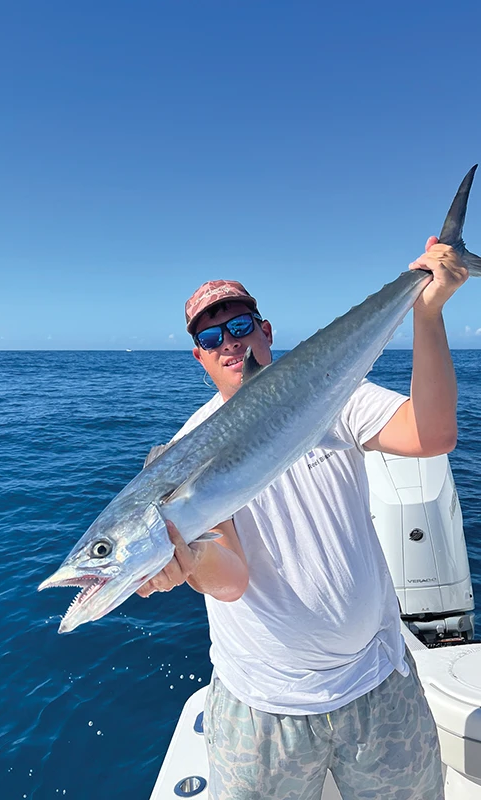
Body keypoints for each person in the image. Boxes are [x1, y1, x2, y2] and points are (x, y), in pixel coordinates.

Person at [138, 236, 468, 800]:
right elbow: (233, 578)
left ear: (265, 332)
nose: (229, 344)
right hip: (264, 708)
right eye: (211, 337)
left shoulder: (330, 393)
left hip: (377, 682)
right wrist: (190, 562)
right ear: (199, 356)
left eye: (240, 327)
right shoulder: (187, 453)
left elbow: (432, 434)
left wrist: (428, 312)